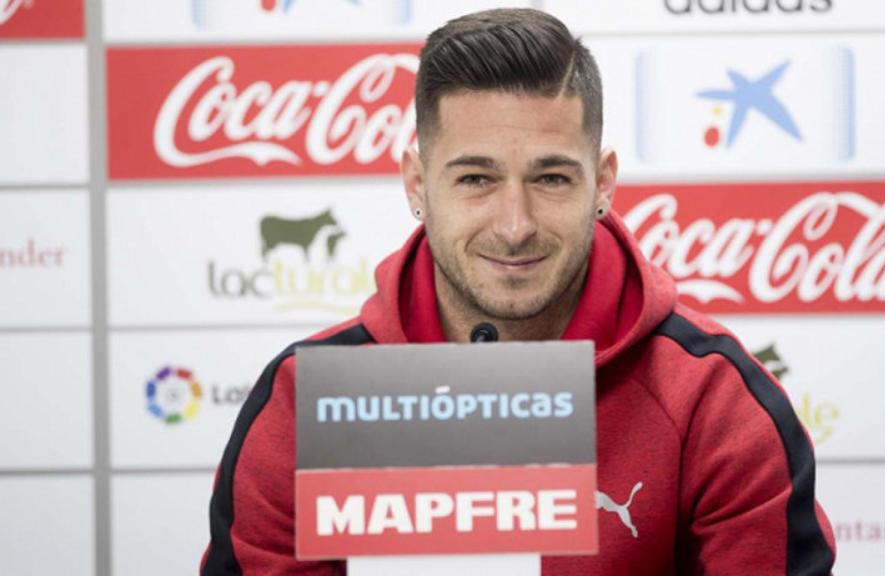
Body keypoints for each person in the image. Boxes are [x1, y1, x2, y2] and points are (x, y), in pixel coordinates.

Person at [200, 8, 835, 575]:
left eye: (552, 178)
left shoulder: (713, 401)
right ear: (417, 184)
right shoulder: (304, 402)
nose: (515, 224)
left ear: (603, 182)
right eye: (476, 178)